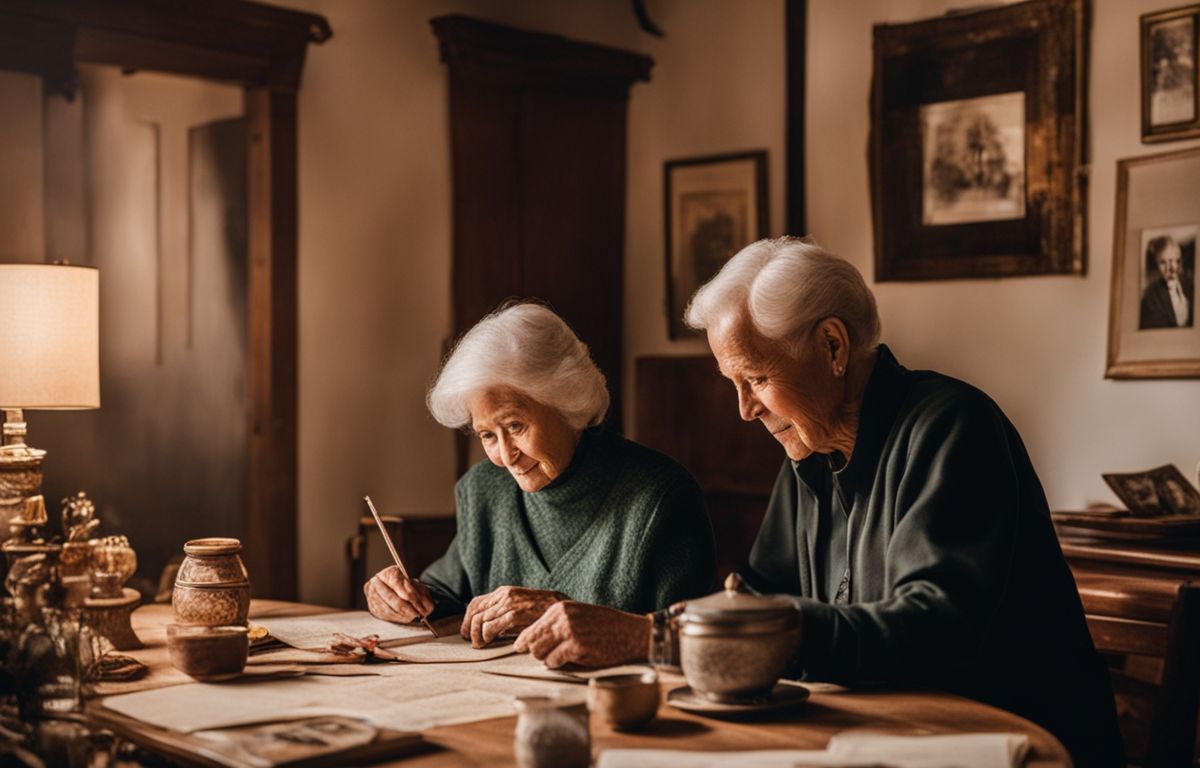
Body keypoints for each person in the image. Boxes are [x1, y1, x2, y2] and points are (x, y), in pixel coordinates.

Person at [681, 237, 1125, 767]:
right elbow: (758, 595)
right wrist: (677, 630)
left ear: (832, 347)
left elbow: (934, 628)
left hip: (1014, 746)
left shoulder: (952, 426)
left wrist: (782, 630)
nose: (745, 410)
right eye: (734, 383)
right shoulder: (809, 449)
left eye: (756, 378)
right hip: (887, 740)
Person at [364, 302, 716, 666]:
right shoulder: (483, 490)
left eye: (515, 426)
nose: (504, 455)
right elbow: (447, 595)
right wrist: (399, 597)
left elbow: (699, 644)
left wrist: (559, 609)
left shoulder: (660, 497)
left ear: (568, 401)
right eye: (487, 435)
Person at [1139, 235, 1194, 329]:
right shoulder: (1150, 297)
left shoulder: (1190, 284)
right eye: (1163, 262)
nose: (1171, 268)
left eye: (1174, 260)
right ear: (1157, 265)